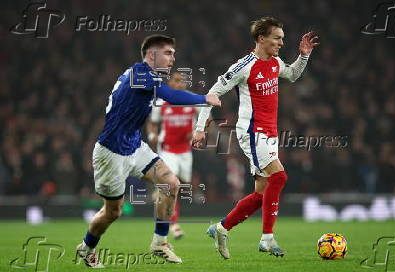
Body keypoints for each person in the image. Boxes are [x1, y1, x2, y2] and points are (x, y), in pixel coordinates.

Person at [76, 34, 220, 267]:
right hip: (111, 153)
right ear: (152, 55)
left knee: (171, 183)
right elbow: (171, 96)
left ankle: (160, 243)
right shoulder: (140, 74)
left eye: (173, 53)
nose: (173, 58)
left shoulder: (144, 76)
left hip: (134, 146)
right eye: (168, 53)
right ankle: (86, 246)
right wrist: (205, 98)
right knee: (113, 212)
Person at [193, 17, 319, 259]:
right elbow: (212, 93)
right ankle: (267, 239)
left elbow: (292, 75)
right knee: (280, 176)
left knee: (262, 194)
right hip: (252, 132)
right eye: (277, 38)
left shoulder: (274, 62)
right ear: (261, 38)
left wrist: (303, 56)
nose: (282, 43)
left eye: (282, 38)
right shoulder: (244, 66)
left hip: (270, 133)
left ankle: (220, 228)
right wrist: (200, 129)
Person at [147, 71, 198, 240]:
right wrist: (152, 136)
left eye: (182, 81)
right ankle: (173, 224)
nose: (179, 84)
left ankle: (160, 198)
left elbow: (207, 120)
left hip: (185, 151)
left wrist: (198, 132)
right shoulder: (160, 103)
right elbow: (152, 125)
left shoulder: (194, 102)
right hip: (167, 150)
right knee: (172, 184)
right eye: (176, 81)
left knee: (181, 187)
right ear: (170, 83)